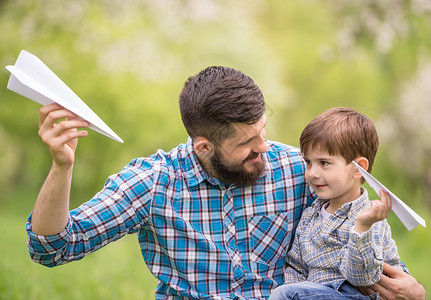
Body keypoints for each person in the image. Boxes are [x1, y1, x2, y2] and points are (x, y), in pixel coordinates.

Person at [27, 66, 425, 299]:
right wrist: (62, 167)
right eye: (247, 144)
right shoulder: (155, 182)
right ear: (204, 145)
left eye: (263, 132)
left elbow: (353, 223)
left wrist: (407, 284)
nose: (264, 148)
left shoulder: (296, 170)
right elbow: (54, 247)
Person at [269, 107, 416, 300]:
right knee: (287, 292)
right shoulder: (310, 216)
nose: (312, 173)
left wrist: (362, 227)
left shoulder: (370, 218)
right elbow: (296, 265)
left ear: (358, 169)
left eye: (324, 163)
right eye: (308, 162)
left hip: (353, 294)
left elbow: (362, 277)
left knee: (283, 294)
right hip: (316, 293)